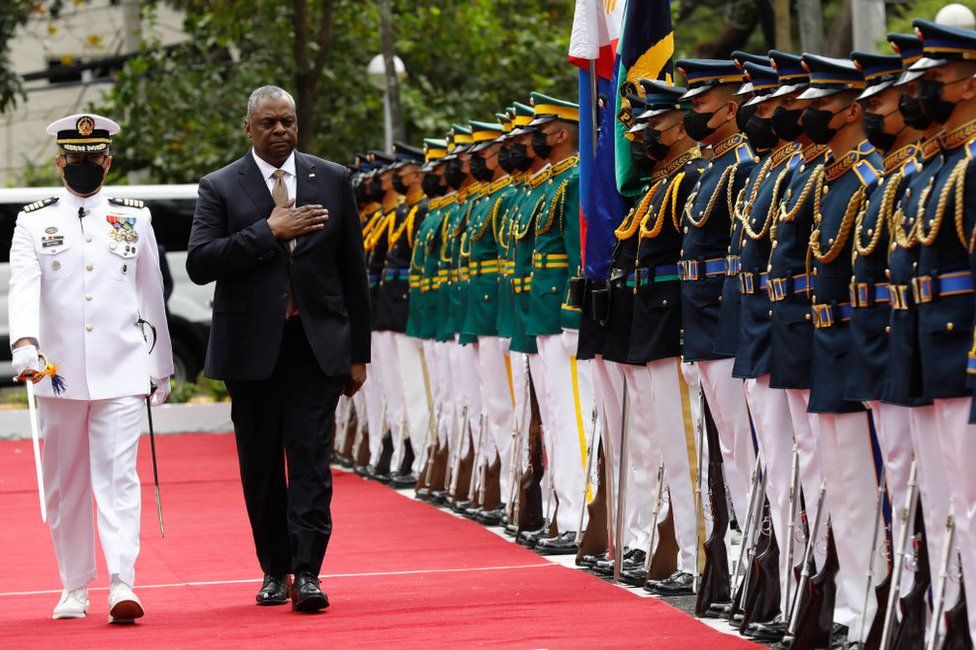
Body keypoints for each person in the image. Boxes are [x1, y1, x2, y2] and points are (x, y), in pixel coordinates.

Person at [186, 85, 370, 612]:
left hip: (316, 346)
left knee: (310, 459)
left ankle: (309, 572)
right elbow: (201, 262)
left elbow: (352, 271)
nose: (281, 131)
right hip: (252, 350)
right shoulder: (220, 187)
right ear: (248, 128)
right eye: (268, 123)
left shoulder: (331, 178)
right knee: (262, 466)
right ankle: (274, 568)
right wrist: (268, 231)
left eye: (288, 121)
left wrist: (358, 353)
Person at [8, 113, 173, 622]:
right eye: (75, 159)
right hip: (56, 375)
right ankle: (74, 585)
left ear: (108, 161)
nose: (85, 166)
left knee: (119, 477)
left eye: (93, 159)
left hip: (121, 369)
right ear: (60, 163)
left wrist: (160, 365)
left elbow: (151, 296)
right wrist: (24, 344)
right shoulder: (34, 221)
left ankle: (123, 581)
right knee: (66, 483)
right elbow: (23, 286)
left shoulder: (135, 218)